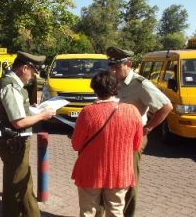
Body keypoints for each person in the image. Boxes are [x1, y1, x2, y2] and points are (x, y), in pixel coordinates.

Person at [106, 46, 173, 217]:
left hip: (133, 138)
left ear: (128, 64)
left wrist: (148, 128)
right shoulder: (115, 81)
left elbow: (166, 106)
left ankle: (128, 214)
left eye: (116, 67)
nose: (112, 71)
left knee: (128, 179)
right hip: (114, 137)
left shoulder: (140, 84)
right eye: (110, 67)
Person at [71, 71, 143, 217]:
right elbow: (136, 145)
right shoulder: (133, 111)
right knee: (116, 211)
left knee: (87, 211)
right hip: (120, 171)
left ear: (95, 89)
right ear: (116, 88)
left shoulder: (88, 112)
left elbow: (76, 145)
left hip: (90, 171)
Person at [0, 51, 55, 217]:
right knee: (18, 185)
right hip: (15, 142)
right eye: (33, 71)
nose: (33, 76)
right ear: (24, 68)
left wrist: (31, 109)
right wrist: (43, 115)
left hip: (11, 141)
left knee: (21, 182)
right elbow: (18, 122)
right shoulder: (11, 86)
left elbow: (13, 110)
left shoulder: (8, 82)